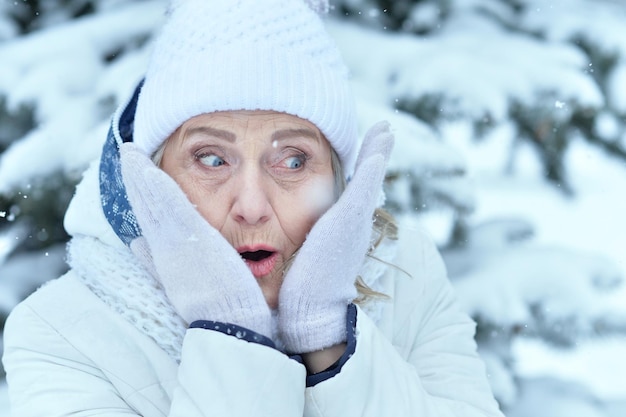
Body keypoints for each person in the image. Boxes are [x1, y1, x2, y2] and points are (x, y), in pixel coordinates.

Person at [2, 0, 505, 416]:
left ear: (337, 178)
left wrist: (327, 340)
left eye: (292, 160)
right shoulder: (61, 333)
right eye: (212, 158)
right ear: (152, 178)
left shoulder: (407, 279)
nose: (251, 205)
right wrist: (231, 336)